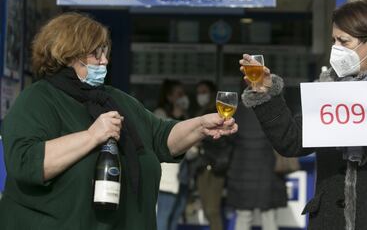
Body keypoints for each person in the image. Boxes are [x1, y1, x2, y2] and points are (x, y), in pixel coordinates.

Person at [0, 12, 237, 230]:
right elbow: (25, 162)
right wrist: (92, 136)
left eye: (106, 52)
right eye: (95, 53)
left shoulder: (115, 99)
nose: (104, 61)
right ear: (67, 54)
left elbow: (162, 138)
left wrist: (200, 126)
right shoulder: (38, 99)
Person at [239, 0, 367, 230]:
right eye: (333, 41)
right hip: (329, 220)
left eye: (344, 41)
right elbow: (291, 143)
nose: (336, 49)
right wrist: (265, 93)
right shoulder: (326, 89)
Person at [226, 90, 287, 230]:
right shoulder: (272, 110)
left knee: (243, 216)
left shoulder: (237, 111)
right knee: (269, 215)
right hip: (267, 170)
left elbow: (228, 139)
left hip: (242, 171)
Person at [193, 80, 232, 230]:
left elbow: (224, 139)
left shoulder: (219, 114)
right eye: (198, 92)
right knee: (207, 209)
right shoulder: (197, 112)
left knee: (212, 209)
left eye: (204, 92)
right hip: (202, 165)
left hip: (217, 165)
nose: (200, 96)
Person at [154, 79, 191, 230]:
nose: (183, 97)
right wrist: (177, 116)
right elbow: (165, 139)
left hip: (182, 176)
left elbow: (192, 147)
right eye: (179, 94)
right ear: (169, 97)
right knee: (163, 217)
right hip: (166, 179)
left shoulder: (185, 117)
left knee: (175, 218)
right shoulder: (159, 114)